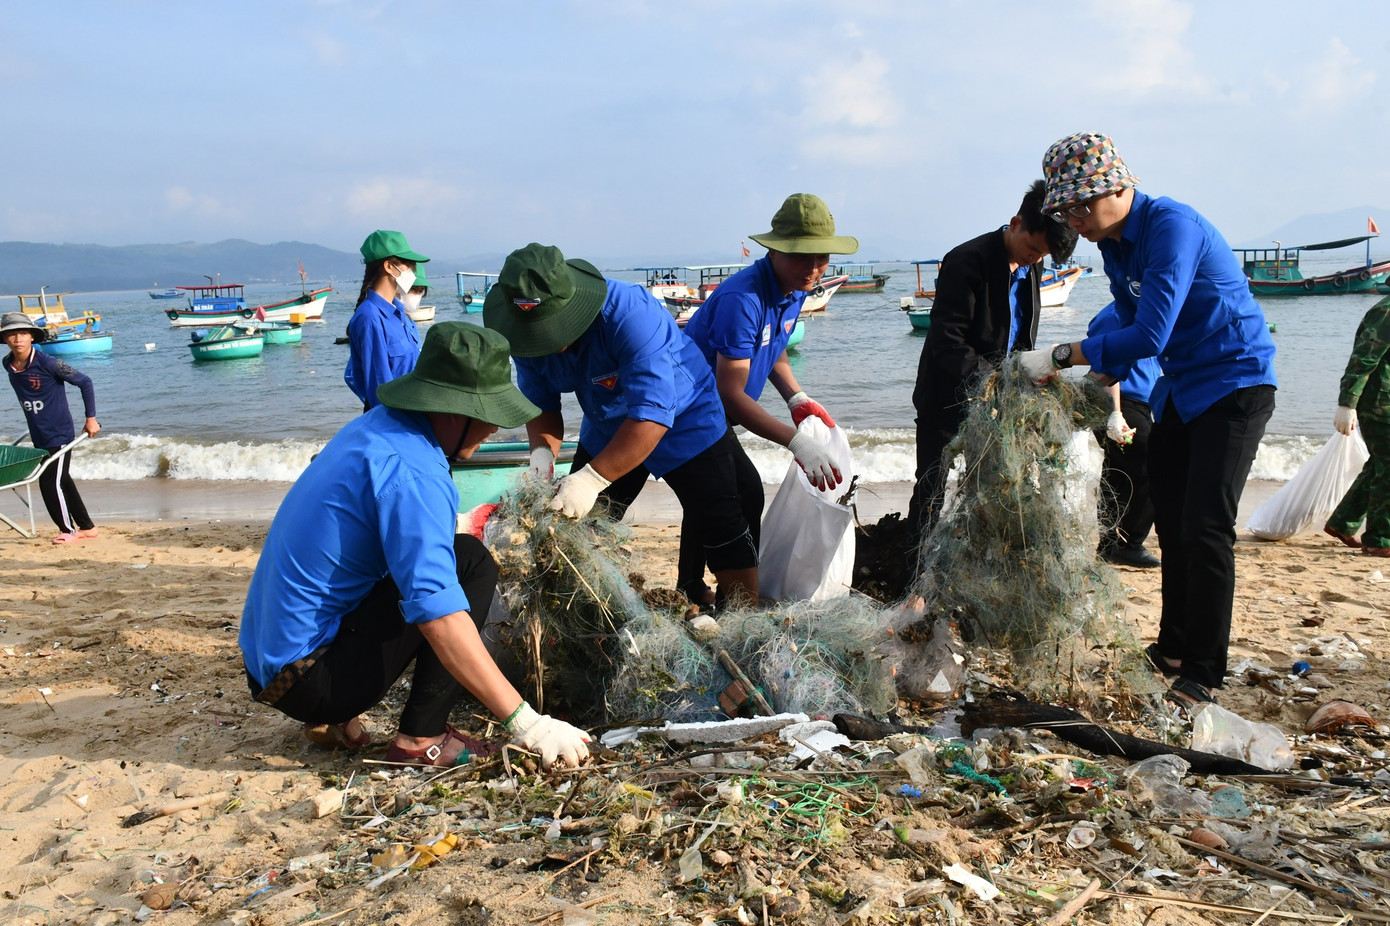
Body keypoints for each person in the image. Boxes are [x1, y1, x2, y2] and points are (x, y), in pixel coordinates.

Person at [240, 322, 591, 769]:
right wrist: (528, 723)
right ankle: (419, 740)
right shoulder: (415, 472)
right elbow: (438, 615)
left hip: (269, 667)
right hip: (312, 680)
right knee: (470, 563)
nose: (492, 430)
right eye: (486, 415)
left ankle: (334, 715)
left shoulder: (375, 427)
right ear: (450, 411)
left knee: (430, 558)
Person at [1017, 132, 1277, 709]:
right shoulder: (1114, 245)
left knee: (1208, 526)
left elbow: (1151, 333)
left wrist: (1063, 353)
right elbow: (1128, 329)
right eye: (1066, 209)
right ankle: (1173, 650)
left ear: (1119, 187)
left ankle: (1205, 672)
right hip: (1181, 388)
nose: (1074, 220)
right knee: (1173, 519)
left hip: (1236, 381)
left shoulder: (1171, 227)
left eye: (1082, 205)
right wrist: (1090, 377)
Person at [483, 242, 760, 610]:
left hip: (684, 416)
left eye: (553, 329)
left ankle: (744, 621)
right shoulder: (522, 334)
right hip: (607, 422)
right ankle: (583, 616)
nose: (547, 342)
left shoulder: (630, 311)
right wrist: (540, 458)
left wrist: (592, 479)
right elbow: (541, 406)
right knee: (583, 528)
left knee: (721, 519)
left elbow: (653, 414)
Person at [680, 193, 852, 605]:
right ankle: (737, 595)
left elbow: (772, 346)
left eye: (821, 256)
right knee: (743, 492)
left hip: (714, 409)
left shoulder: (793, 288)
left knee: (711, 494)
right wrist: (795, 442)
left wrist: (795, 396)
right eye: (800, 257)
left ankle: (692, 586)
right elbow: (730, 392)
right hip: (689, 409)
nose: (813, 268)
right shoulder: (744, 299)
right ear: (773, 250)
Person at [907, 179, 1078, 534]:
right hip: (946, 396)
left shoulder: (1032, 265)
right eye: (1032, 248)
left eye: (1042, 255)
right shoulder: (967, 261)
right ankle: (914, 579)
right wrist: (994, 381)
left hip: (997, 403)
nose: (1034, 259)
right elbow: (947, 340)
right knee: (931, 488)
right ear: (1015, 223)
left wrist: (1030, 370)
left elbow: (1020, 334)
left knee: (989, 490)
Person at [2, 312, 100, 544]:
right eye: (12, 334)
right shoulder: (8, 363)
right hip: (39, 432)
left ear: (32, 337)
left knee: (48, 481)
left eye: (23, 333)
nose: (18, 339)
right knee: (62, 479)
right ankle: (88, 527)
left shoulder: (48, 362)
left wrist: (91, 418)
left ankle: (68, 531)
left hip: (59, 432)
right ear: (5, 338)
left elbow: (85, 382)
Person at [1088, 302, 1162, 569]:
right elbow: (1106, 366)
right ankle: (1128, 544)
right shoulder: (1114, 316)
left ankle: (1110, 546)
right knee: (1154, 466)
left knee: (1118, 476)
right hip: (1118, 403)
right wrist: (1115, 413)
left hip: (1139, 405)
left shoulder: (1148, 314)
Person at [1323, 294, 1390, 557]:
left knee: (1380, 464)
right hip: (1379, 401)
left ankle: (1342, 523)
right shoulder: (1386, 311)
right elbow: (1363, 358)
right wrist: (1347, 403)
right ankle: (1379, 539)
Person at [345, 230, 428, 411]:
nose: (413, 273)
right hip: (394, 424)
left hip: (413, 418)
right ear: (389, 266)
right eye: (409, 265)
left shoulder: (400, 316)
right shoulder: (370, 317)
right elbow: (380, 390)